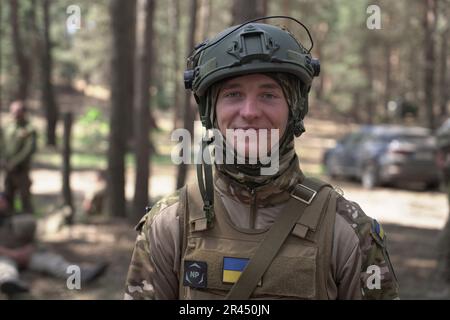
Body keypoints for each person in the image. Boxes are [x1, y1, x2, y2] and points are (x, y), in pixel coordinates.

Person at [125, 18, 399, 300]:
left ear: (294, 108)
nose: (250, 111)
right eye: (233, 94)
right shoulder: (169, 224)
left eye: (268, 95)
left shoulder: (347, 230)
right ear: (211, 111)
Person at [0, 193, 108, 298]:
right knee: (5, 268)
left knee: (53, 262)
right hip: (4, 256)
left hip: (26, 254)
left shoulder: (17, 218)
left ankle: (82, 274)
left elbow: (34, 240)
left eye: (2, 199)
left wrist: (28, 250)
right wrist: (13, 254)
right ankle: (9, 284)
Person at [0, 100, 36, 213]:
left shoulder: (29, 129)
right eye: (13, 111)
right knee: (7, 197)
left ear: (23, 112)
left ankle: (28, 224)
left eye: (18, 111)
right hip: (8, 170)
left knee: (25, 198)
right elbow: (2, 145)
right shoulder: (7, 127)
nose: (15, 114)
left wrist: (14, 163)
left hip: (21, 170)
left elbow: (29, 149)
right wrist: (3, 161)